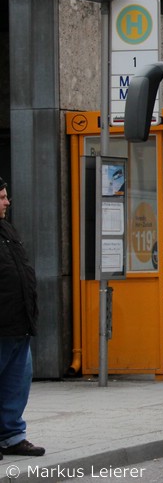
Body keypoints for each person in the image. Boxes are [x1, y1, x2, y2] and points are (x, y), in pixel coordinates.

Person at [0, 177, 45, 458]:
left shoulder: (6, 229)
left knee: (17, 382)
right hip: (2, 324)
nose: (7, 201)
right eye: (1, 197)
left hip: (19, 324)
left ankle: (11, 436)